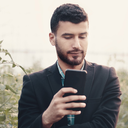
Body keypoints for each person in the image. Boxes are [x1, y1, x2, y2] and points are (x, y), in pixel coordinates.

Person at [18, 3, 122, 128]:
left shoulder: (107, 77)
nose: (77, 45)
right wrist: (46, 118)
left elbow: (105, 125)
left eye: (82, 36)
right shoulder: (33, 83)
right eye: (68, 37)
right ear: (52, 38)